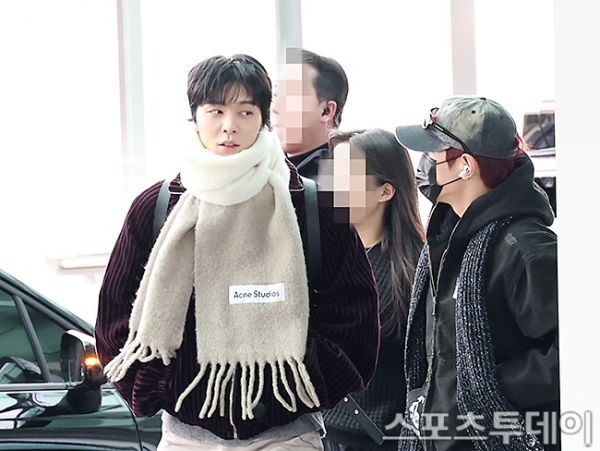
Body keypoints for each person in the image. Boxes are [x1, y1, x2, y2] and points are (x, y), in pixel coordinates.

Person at [95, 54, 379, 451]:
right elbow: (114, 319)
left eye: (246, 112)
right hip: (185, 440)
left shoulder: (313, 207)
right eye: (216, 111)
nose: (229, 126)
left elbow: (356, 321)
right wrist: (169, 386)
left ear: (263, 118)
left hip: (287, 438)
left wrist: (293, 384)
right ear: (195, 116)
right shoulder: (158, 207)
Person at [394, 96, 559, 451]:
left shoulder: (524, 248)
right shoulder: (446, 241)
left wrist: (488, 387)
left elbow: (574, 351)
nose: (425, 164)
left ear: (465, 166)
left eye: (435, 154)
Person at [319, 129, 425, 451]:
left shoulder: (417, 270)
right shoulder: (319, 259)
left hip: (383, 439)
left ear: (385, 191)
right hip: (316, 436)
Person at [271, 48, 349, 179]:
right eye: (275, 96)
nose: (275, 108)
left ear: (326, 111)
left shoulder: (340, 179)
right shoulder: (271, 167)